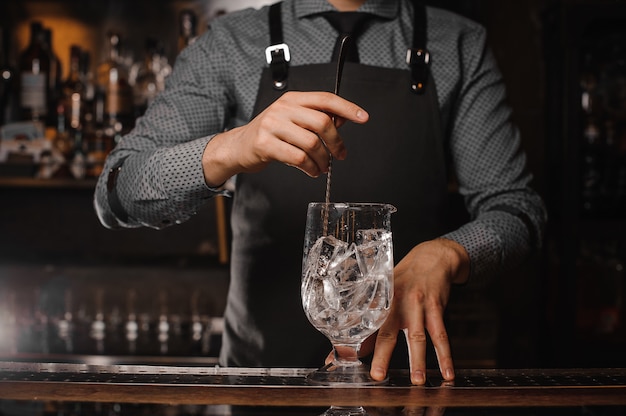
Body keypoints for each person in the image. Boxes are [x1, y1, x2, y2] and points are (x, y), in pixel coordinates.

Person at [94, 0, 547, 386]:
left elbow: (518, 210)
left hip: (402, 386)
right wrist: (233, 146)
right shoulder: (231, 42)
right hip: (256, 384)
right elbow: (117, 192)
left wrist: (450, 254)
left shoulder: (458, 43)